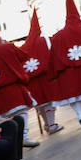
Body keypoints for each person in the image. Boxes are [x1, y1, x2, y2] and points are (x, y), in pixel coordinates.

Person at [48, 0, 81, 129]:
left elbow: (53, 57)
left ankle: (80, 115)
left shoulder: (57, 36)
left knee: (74, 96)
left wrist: (53, 75)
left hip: (67, 72)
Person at [0, 20, 35, 150]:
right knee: (21, 113)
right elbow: (23, 55)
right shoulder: (6, 47)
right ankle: (24, 137)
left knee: (0, 121)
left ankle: (8, 141)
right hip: (12, 90)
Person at [18, 10, 59, 138]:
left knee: (40, 103)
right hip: (46, 77)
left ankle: (47, 124)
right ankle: (51, 125)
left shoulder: (23, 46)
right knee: (49, 101)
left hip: (31, 81)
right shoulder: (45, 40)